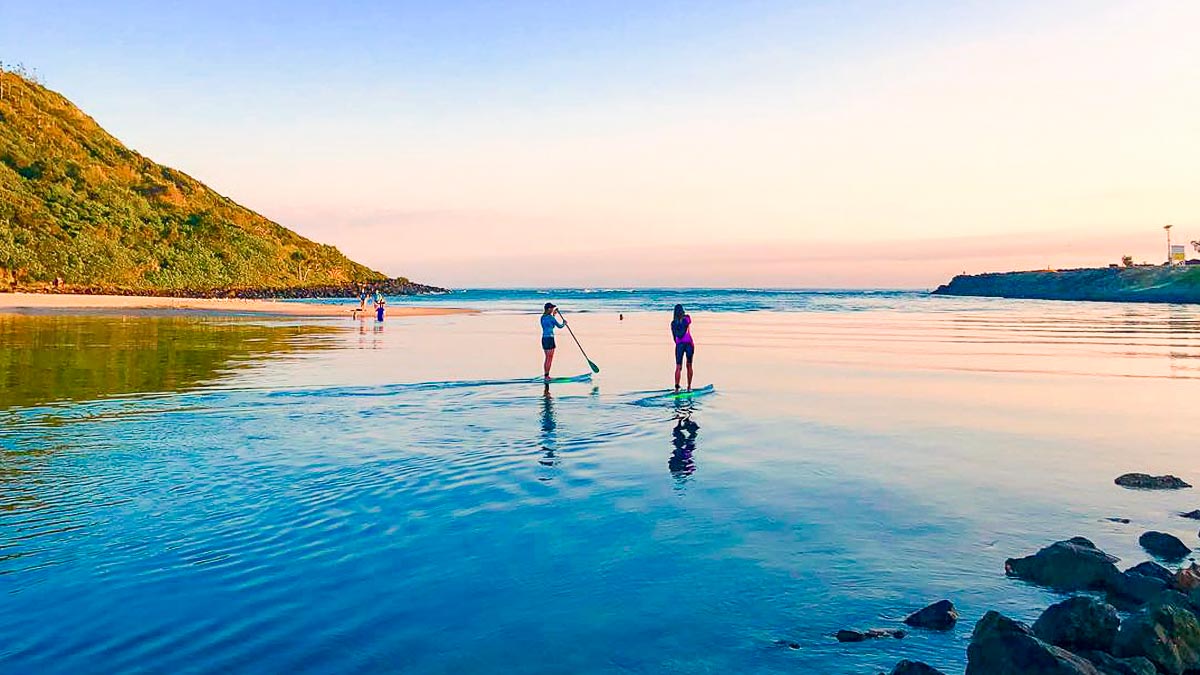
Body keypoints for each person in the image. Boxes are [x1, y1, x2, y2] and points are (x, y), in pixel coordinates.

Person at [671, 304, 694, 391]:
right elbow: (688, 321)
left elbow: (674, 336)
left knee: (678, 366)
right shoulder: (687, 319)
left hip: (679, 345)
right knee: (689, 365)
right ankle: (689, 387)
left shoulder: (673, 323)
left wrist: (677, 343)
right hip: (689, 344)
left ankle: (676, 388)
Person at [541, 302, 565, 379]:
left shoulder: (542, 317)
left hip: (544, 339)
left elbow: (551, 325)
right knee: (550, 358)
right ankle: (547, 376)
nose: (552, 310)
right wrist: (564, 323)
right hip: (550, 338)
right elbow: (559, 326)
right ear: (548, 309)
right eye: (551, 308)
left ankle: (546, 375)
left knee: (547, 358)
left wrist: (554, 315)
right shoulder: (551, 318)